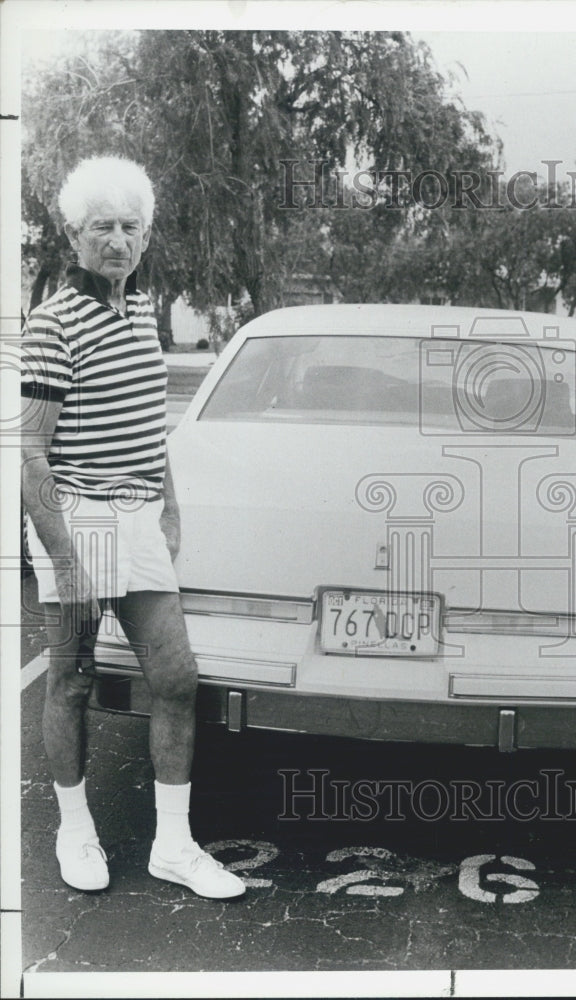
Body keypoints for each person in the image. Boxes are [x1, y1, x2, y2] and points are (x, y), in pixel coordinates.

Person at [20, 156, 245, 899]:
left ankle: (172, 847)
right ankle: (75, 832)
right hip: (77, 518)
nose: (117, 241)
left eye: (129, 227)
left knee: (176, 678)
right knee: (73, 681)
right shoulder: (53, 322)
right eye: (101, 228)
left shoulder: (142, 308)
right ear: (72, 235)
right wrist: (65, 557)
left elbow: (151, 427)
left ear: (145, 235)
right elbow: (29, 449)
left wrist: (169, 502)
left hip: (138, 515)